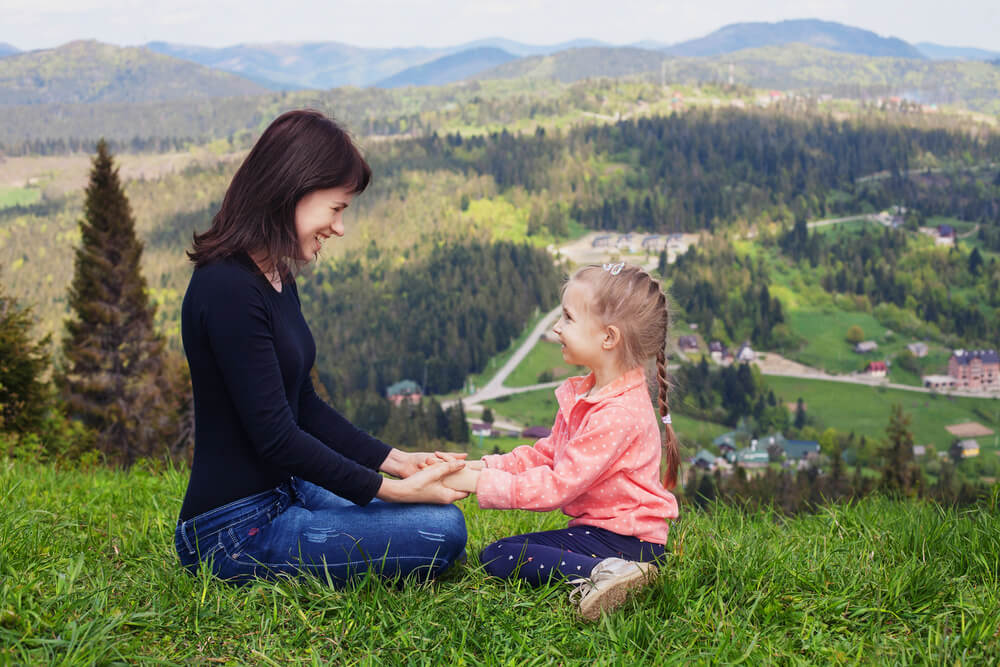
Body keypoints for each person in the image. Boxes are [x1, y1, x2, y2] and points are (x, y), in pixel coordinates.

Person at [174, 109, 469, 586]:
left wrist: (399, 461)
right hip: (233, 531)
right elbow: (276, 437)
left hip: (287, 490)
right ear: (293, 190)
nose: (339, 227)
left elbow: (304, 405)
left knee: (437, 518)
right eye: (336, 208)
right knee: (441, 531)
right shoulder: (226, 288)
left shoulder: (273, 273)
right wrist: (392, 491)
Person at [444, 262, 680, 620]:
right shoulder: (589, 395)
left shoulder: (618, 413)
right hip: (604, 535)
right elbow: (547, 455)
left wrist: (477, 483)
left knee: (500, 555)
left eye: (568, 318)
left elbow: (558, 485)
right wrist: (476, 467)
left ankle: (612, 573)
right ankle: (611, 571)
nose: (556, 327)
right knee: (503, 552)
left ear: (608, 337)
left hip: (629, 543)